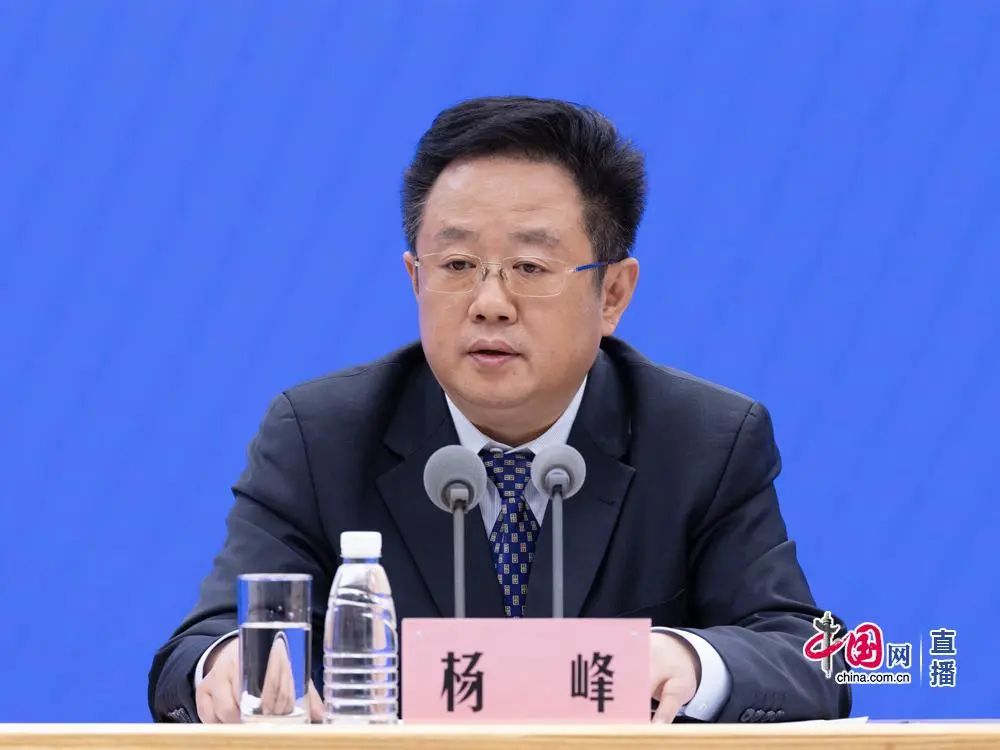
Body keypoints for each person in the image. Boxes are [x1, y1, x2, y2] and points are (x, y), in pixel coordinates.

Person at [148, 96, 851, 724]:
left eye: (530, 268)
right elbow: (196, 652)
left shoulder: (703, 440)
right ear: (415, 279)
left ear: (612, 294)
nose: (490, 303)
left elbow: (818, 659)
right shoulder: (320, 436)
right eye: (456, 266)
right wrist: (229, 666)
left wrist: (688, 661)